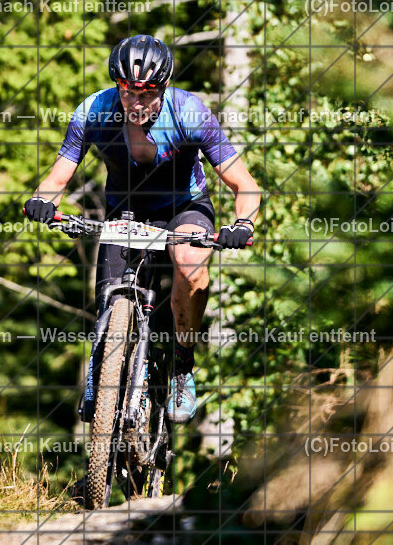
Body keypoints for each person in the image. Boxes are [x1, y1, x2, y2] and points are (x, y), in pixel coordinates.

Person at [24, 34, 261, 423]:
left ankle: (182, 365)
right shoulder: (94, 111)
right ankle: (102, 365)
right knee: (108, 295)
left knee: (190, 266)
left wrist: (242, 223)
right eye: (127, 92)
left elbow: (245, 185)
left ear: (163, 87)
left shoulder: (190, 113)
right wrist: (42, 201)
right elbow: (57, 178)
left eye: (147, 93)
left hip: (183, 208)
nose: (136, 103)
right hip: (127, 210)